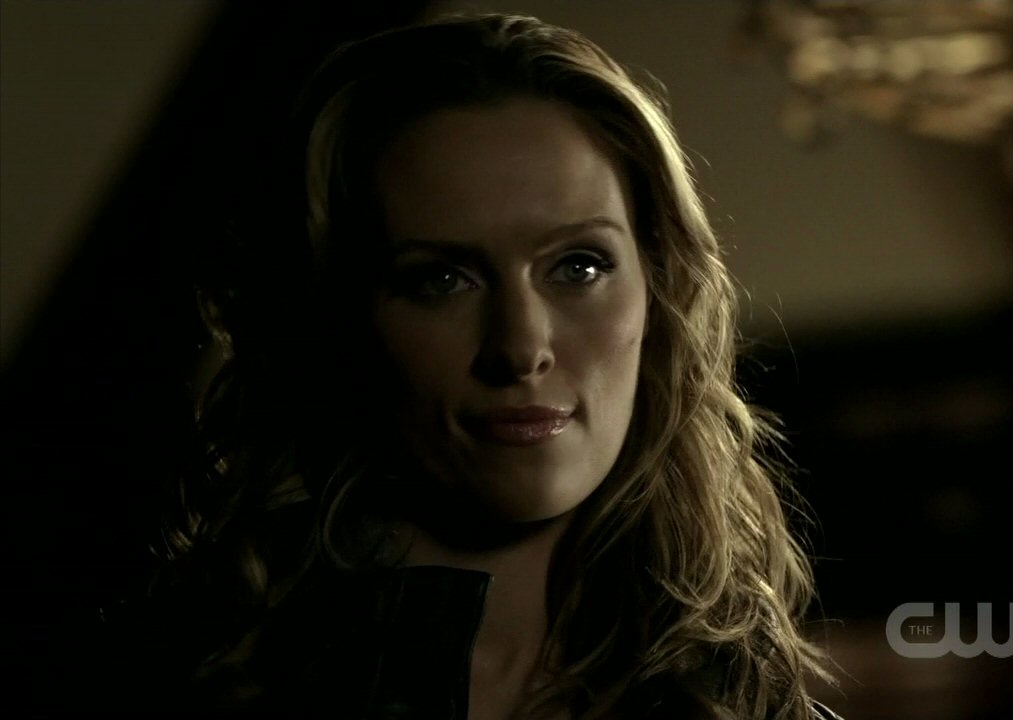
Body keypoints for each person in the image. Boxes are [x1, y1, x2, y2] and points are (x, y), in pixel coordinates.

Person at [80, 12, 841, 720]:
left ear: (658, 286)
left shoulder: (736, 693)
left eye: (578, 266)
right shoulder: (172, 681)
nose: (521, 348)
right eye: (441, 279)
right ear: (333, 316)